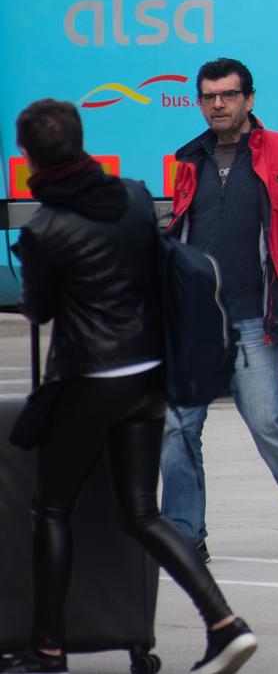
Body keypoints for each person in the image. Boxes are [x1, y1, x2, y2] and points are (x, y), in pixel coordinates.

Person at [6, 99, 258, 674]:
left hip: (89, 379)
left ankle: (46, 650)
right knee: (142, 512)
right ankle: (225, 624)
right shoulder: (133, 196)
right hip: (148, 373)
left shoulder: (45, 229)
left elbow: (38, 310)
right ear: (81, 141)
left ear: (29, 157)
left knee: (51, 510)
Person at [159, 59, 278, 562]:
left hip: (256, 313)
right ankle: (185, 532)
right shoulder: (189, 158)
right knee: (178, 427)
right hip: (195, 320)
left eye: (228, 95)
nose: (218, 104)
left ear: (249, 99)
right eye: (209, 96)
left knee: (265, 420)